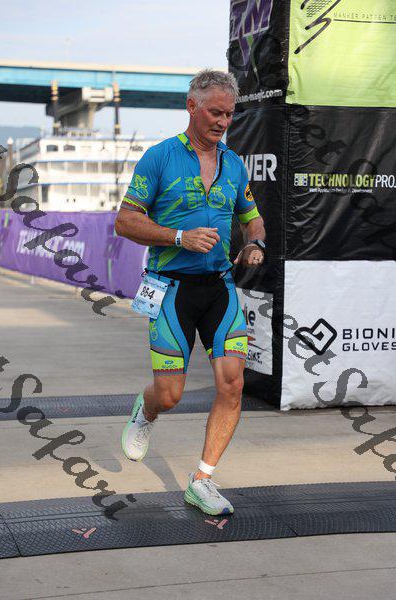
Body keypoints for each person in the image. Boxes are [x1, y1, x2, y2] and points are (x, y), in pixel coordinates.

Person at [115, 69, 266, 516]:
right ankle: (146, 411)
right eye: (215, 112)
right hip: (170, 289)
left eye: (229, 114)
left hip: (219, 287)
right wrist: (179, 237)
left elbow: (252, 218)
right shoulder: (160, 157)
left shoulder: (234, 164)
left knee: (232, 383)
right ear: (191, 106)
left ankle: (202, 480)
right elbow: (125, 221)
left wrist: (255, 243)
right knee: (170, 395)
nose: (223, 122)